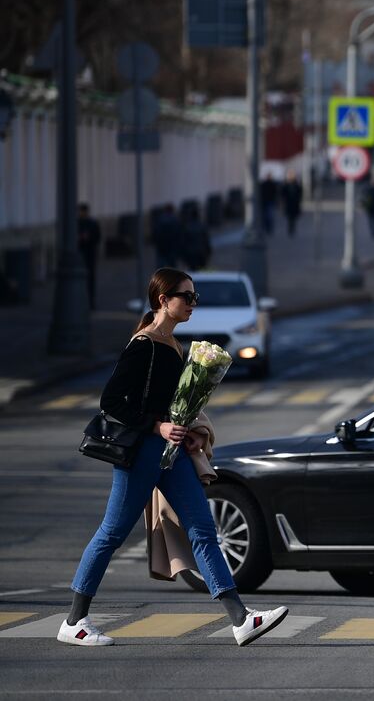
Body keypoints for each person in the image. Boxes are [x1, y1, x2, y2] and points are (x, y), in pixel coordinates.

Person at [61, 268, 287, 648]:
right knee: (112, 533)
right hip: (142, 452)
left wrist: (189, 433)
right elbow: (111, 402)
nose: (193, 304)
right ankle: (74, 620)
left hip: (172, 452)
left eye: (194, 297)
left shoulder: (173, 344)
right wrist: (157, 427)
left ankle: (241, 619)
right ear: (164, 300)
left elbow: (171, 403)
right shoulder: (144, 344)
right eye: (187, 297)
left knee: (203, 528)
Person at [77, 203, 100, 309]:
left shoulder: (91, 224)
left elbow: (97, 237)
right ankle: (86, 302)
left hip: (89, 255)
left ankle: (90, 302)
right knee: (84, 280)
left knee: (89, 280)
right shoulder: (78, 224)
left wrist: (88, 238)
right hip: (83, 255)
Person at [282, 172, 303, 238]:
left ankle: (292, 228)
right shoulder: (286, 185)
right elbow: (282, 195)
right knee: (290, 218)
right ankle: (291, 228)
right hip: (289, 204)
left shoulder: (296, 185)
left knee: (293, 218)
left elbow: (300, 194)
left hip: (294, 204)